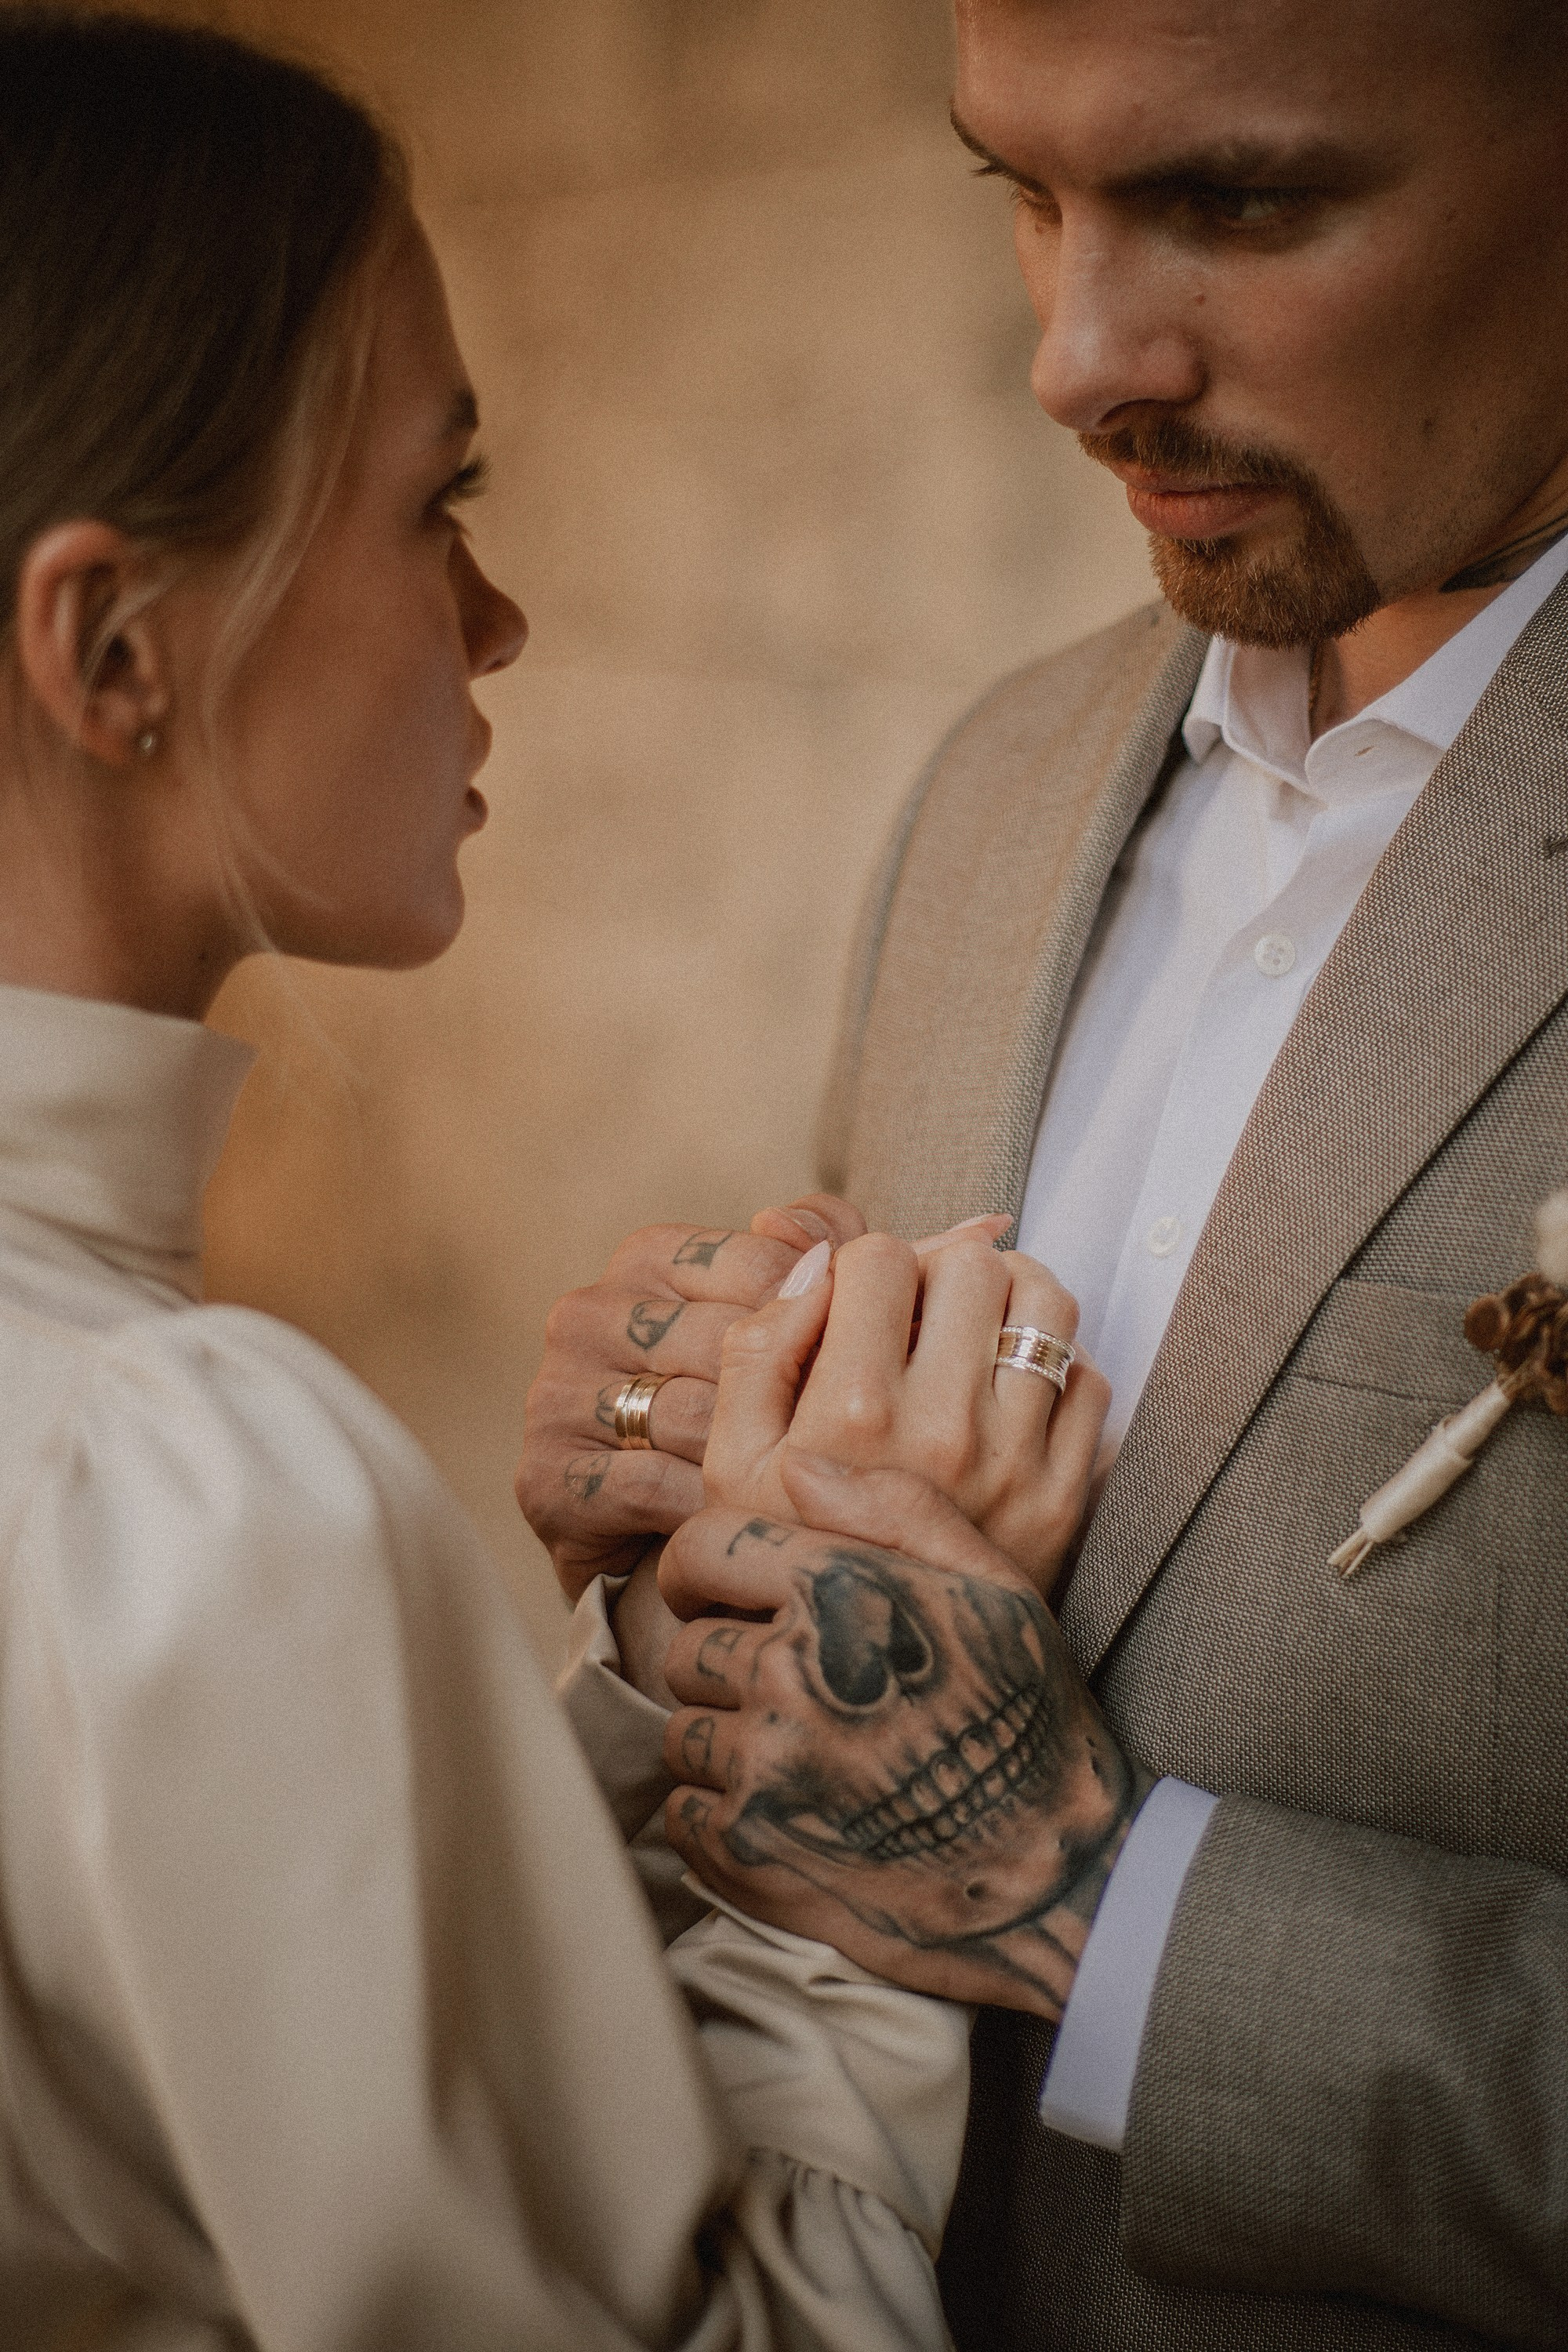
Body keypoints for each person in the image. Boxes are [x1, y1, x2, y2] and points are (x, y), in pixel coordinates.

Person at [0, 12, 1154, 2347]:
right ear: (117, 646)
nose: (497, 618)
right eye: (441, 498)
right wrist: (850, 1760)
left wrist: (657, 1688)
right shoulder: (190, 1487)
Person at [519, 0, 1568, 2344]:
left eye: (1239, 201)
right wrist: (682, 1570)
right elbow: (817, 1725)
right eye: (1022, 191)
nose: (1076, 356)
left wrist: (1101, 1908)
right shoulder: (1002, 791)